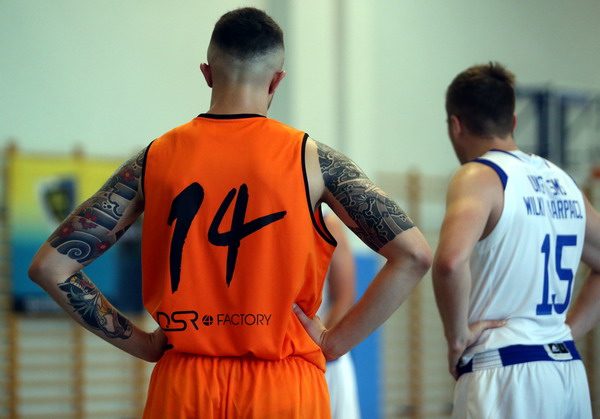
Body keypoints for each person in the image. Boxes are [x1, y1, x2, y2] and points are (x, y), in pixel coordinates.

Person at [28, 7, 432, 418]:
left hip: (184, 386)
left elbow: (50, 268)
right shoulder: (313, 160)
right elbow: (414, 255)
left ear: (207, 73)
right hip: (284, 387)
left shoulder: (154, 160)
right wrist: (334, 342)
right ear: (277, 81)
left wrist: (142, 343)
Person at [432, 62, 600, 418]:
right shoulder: (564, 181)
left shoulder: (479, 174)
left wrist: (457, 338)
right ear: (513, 121)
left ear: (455, 125)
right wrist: (568, 331)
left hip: (504, 369)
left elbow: (450, 262)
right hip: (567, 372)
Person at [318, 213, 361, 419]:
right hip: (277, 361)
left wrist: (323, 349)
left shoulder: (327, 223)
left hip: (322, 358)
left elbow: (344, 298)